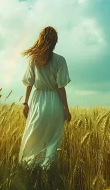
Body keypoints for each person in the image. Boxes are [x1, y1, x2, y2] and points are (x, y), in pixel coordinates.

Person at [18, 26, 71, 170]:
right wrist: (66, 109)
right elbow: (61, 87)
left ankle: (28, 169)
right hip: (54, 101)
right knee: (52, 139)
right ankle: (47, 170)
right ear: (55, 41)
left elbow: (29, 83)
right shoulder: (60, 60)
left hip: (37, 100)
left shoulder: (34, 59)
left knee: (33, 135)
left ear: (40, 39)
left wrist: (26, 103)